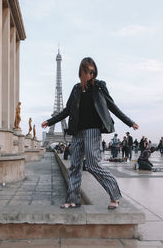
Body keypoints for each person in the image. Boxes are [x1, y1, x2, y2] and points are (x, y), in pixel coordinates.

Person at [41, 57, 138, 209]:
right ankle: (72, 199)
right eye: (86, 71)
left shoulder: (99, 86)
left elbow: (112, 106)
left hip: (93, 129)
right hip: (77, 131)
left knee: (93, 164)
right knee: (75, 166)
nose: (89, 75)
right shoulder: (75, 89)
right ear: (80, 71)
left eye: (92, 72)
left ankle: (115, 195)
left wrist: (129, 122)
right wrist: (51, 121)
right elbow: (67, 110)